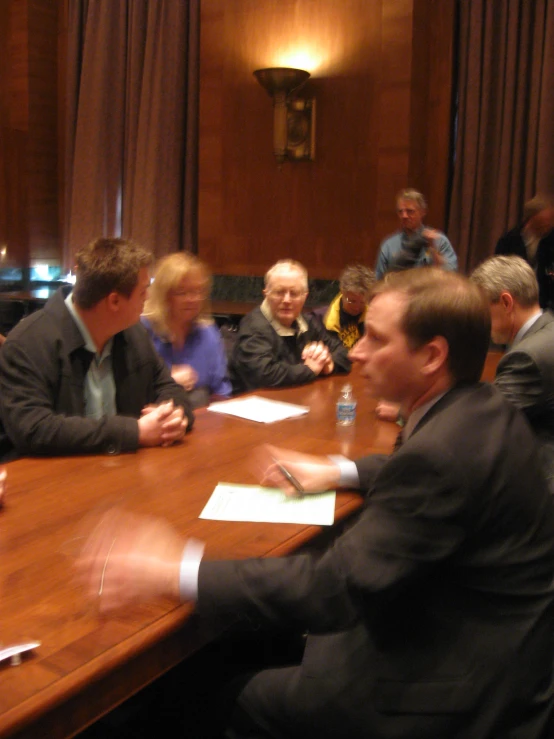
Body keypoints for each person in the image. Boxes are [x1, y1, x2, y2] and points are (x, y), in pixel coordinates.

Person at [78, 268, 554, 739]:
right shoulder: (482, 409)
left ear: (431, 355)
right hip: (492, 650)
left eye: (375, 338)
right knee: (259, 634)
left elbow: (333, 589)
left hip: (449, 691)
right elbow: (423, 473)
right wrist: (338, 469)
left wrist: (175, 567)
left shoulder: (440, 454)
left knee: (208, 694)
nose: (358, 352)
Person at [0, 237, 194, 461]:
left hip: (125, 474)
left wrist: (173, 416)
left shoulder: (134, 334)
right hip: (57, 485)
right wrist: (135, 432)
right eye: (143, 292)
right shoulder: (28, 344)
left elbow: (169, 388)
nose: (148, 298)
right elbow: (34, 429)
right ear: (114, 302)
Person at [471, 254, 554, 482]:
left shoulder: (527, 357)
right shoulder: (547, 330)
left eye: (483, 309)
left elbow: (481, 422)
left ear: (506, 302)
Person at [229, 259, 351, 392]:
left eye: (294, 293)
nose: (287, 300)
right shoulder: (254, 326)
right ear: (266, 294)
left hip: (297, 398)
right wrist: (309, 369)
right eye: (279, 292)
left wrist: (328, 364)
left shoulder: (307, 322)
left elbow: (343, 353)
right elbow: (264, 375)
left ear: (305, 296)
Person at [141, 253, 231, 409]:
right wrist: (167, 380)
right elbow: (131, 392)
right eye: (182, 292)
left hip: (204, 421)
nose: (192, 299)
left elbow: (221, 389)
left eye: (198, 292)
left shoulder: (208, 332)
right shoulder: (142, 331)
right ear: (164, 295)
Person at [375, 188, 457, 279]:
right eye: (400, 212)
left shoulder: (439, 240)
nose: (404, 216)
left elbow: (451, 276)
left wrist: (433, 249)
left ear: (423, 212)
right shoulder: (389, 245)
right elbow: (380, 280)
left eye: (410, 211)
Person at [495, 195, 554, 310]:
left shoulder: (551, 239)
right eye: (545, 220)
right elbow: (500, 274)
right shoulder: (508, 241)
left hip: (548, 303)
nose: (549, 224)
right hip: (517, 300)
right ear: (532, 219)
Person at [322, 264, 374, 349]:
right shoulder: (328, 322)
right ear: (342, 292)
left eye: (362, 302)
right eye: (352, 301)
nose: (357, 307)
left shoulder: (373, 311)